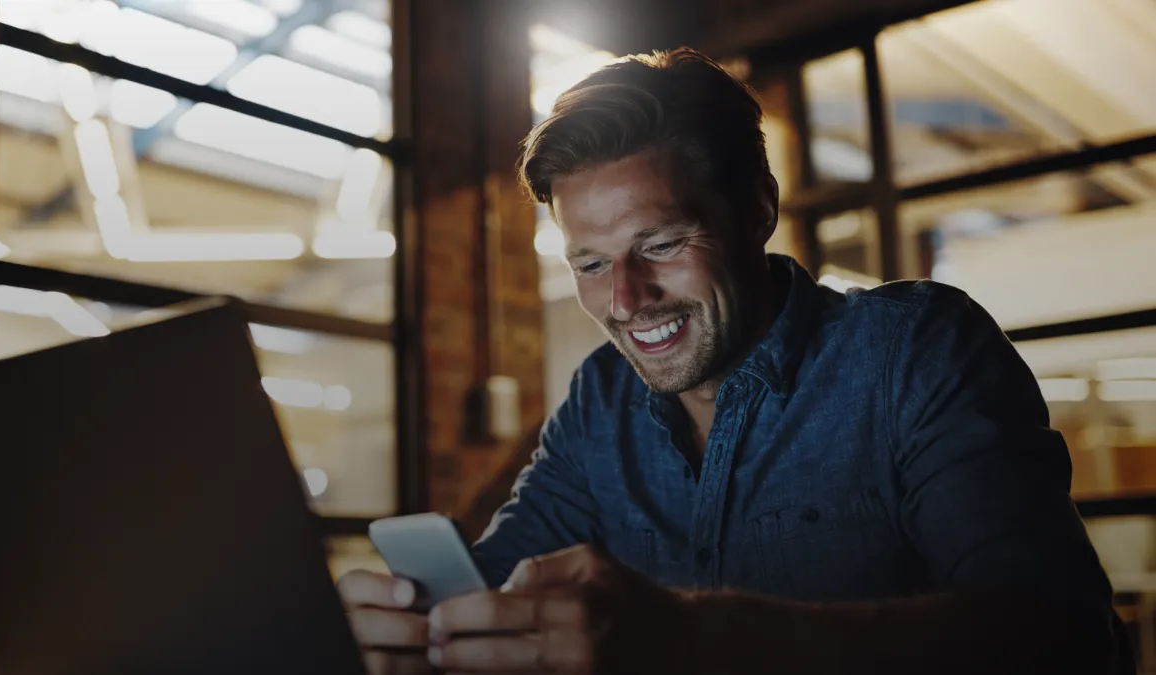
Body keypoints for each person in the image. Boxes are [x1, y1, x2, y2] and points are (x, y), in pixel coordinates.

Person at [339, 47, 1133, 674]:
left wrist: (696, 641)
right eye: (589, 264)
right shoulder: (599, 402)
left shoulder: (912, 350)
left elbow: (1058, 637)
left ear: (758, 206)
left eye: (660, 244)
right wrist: (418, 631)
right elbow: (496, 581)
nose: (624, 298)